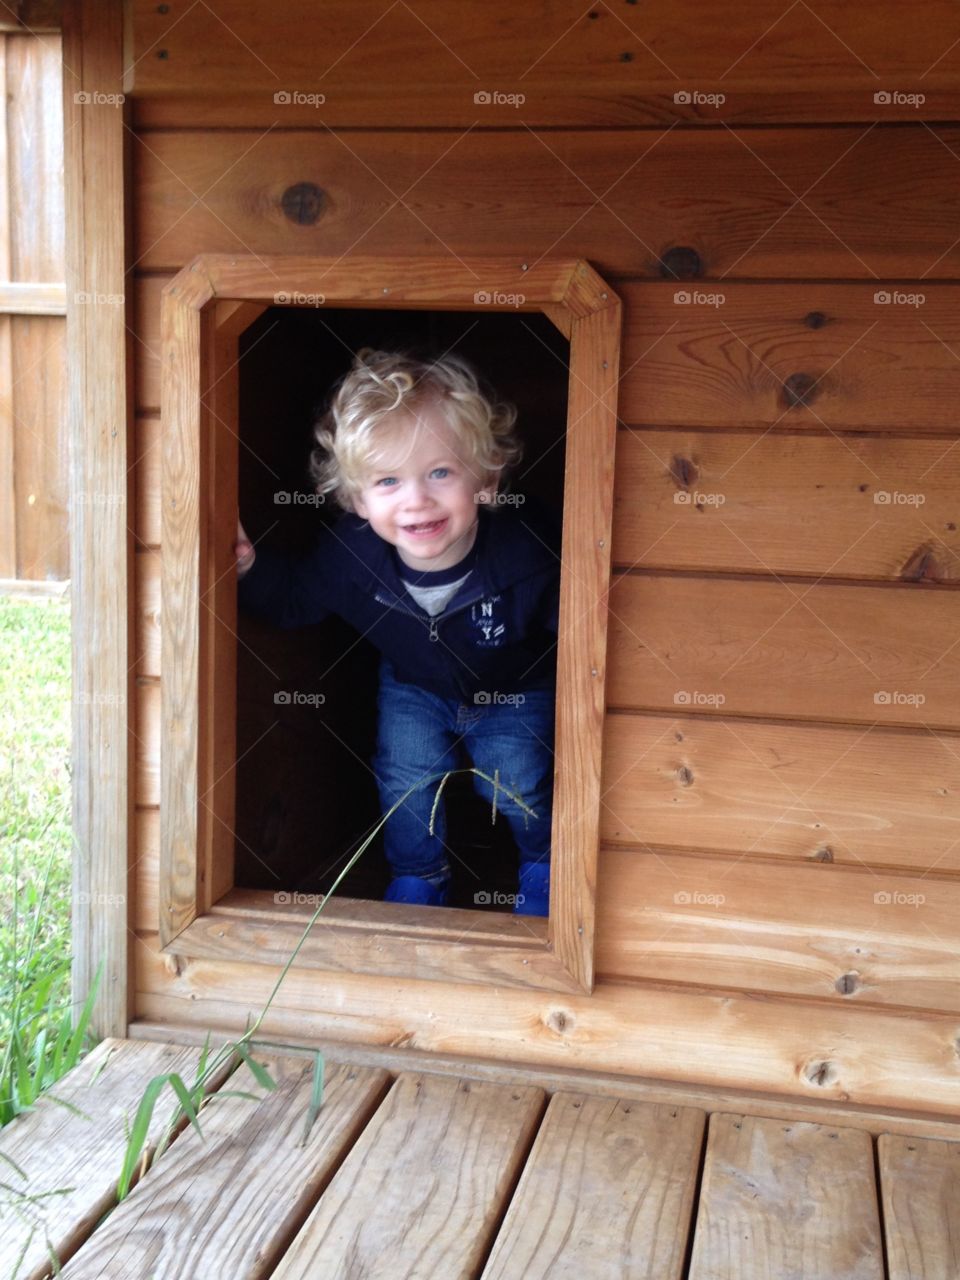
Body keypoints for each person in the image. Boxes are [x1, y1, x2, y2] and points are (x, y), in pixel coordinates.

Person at [235, 348, 559, 916]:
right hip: (415, 686)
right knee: (407, 782)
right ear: (357, 499)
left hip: (515, 685)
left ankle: (543, 862)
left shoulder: (527, 553)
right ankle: (418, 875)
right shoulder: (349, 558)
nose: (416, 499)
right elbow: (291, 601)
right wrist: (245, 568)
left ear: (484, 478)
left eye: (440, 472)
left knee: (520, 781)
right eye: (387, 480)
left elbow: (579, 624)